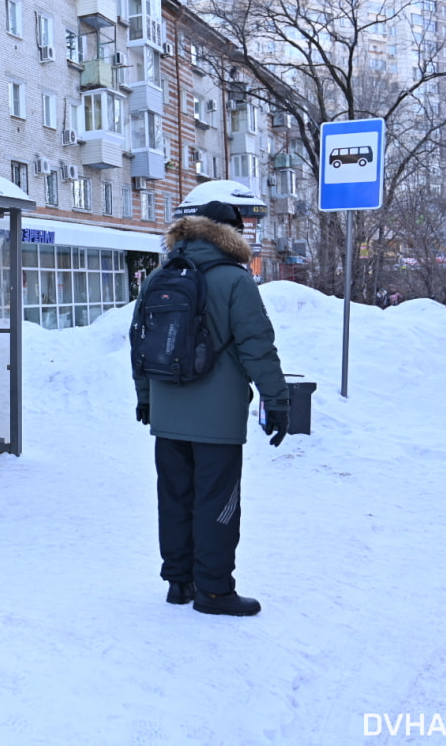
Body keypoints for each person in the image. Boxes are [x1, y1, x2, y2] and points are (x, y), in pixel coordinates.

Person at [132, 200, 291, 617]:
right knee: (217, 501)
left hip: (167, 413)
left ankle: (178, 582)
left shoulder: (160, 276)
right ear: (228, 234)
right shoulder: (235, 281)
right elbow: (257, 346)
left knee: (174, 498)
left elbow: (140, 345)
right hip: (216, 417)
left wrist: (146, 397)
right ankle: (215, 590)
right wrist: (277, 400)